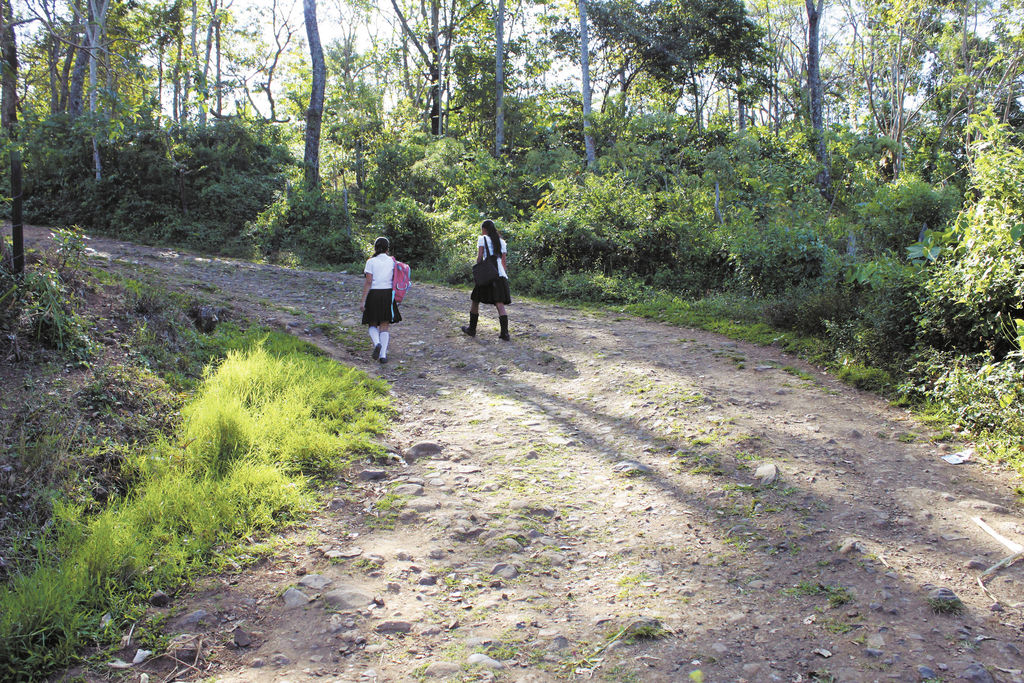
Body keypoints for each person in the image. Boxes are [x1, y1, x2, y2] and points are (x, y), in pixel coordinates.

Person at [461, 219, 511, 341]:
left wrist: (478, 271)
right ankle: (505, 333)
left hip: (487, 274)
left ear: (484, 229)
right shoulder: (502, 242)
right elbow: (503, 263)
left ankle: (472, 329)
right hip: (500, 275)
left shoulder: (482, 239)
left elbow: (479, 258)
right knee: (499, 303)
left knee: (475, 300)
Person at [361, 236, 401, 364]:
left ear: (375, 248)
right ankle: (383, 355)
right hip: (388, 294)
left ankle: (377, 343)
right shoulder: (392, 262)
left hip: (374, 294)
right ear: (387, 248)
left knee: (372, 323)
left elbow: (368, 282)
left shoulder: (371, 262)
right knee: (384, 325)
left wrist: (363, 300)